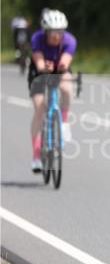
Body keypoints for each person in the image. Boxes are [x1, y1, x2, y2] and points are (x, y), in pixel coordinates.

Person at [28, 9, 77, 173]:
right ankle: (36, 156)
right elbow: (39, 64)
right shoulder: (37, 38)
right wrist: (45, 68)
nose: (56, 36)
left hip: (59, 69)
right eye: (52, 32)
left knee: (67, 89)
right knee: (40, 109)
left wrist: (58, 68)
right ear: (46, 31)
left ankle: (63, 122)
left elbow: (65, 63)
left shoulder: (70, 40)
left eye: (59, 32)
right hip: (39, 72)